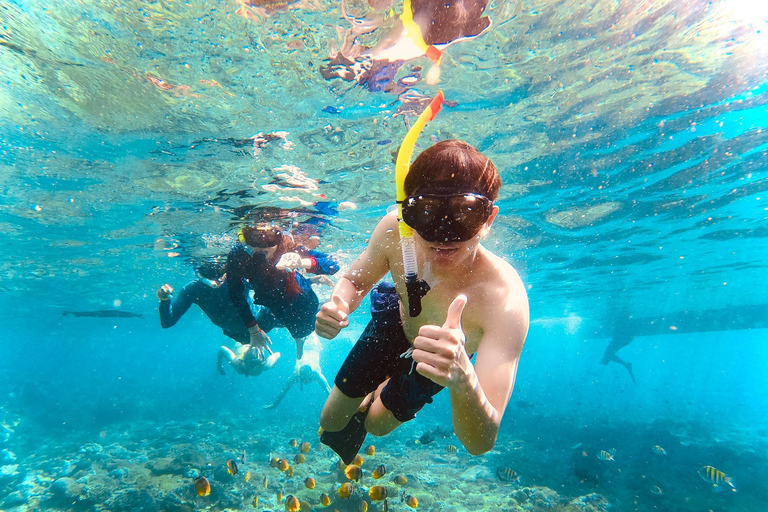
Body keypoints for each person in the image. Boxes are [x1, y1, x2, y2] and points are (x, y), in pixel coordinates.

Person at [315, 139, 529, 462]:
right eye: (427, 211)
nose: (443, 234)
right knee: (329, 421)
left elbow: (481, 442)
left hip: (440, 363)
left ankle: (378, 394)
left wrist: (463, 378)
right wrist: (340, 304)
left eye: (464, 213)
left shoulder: (505, 299)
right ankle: (373, 391)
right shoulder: (394, 232)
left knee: (375, 425)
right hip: (396, 322)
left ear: (488, 219)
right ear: (407, 211)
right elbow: (354, 281)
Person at [226, 223, 339, 360]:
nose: (262, 246)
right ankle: (298, 337)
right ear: (245, 238)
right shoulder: (239, 255)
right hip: (273, 301)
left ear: (279, 239)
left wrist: (300, 262)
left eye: (270, 238)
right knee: (289, 325)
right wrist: (254, 330)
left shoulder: (289, 249)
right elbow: (235, 293)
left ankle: (300, 336)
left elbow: (333, 264)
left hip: (301, 299)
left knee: (305, 328)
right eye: (254, 238)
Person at [157, 258, 282, 375]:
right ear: (200, 275)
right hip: (242, 332)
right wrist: (164, 300)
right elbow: (167, 322)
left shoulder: (236, 277)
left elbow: (266, 283)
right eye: (209, 280)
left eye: (220, 279)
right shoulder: (193, 289)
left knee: (296, 317)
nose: (215, 284)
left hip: (262, 321)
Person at [263, 335, 332, 410]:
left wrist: (274, 404)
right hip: (311, 345)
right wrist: (274, 404)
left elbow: (328, 389)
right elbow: (283, 391)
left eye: (305, 380)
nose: (305, 382)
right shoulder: (296, 375)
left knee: (307, 335)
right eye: (304, 380)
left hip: (312, 344)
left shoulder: (316, 374)